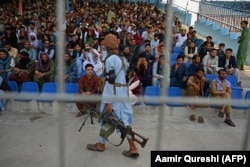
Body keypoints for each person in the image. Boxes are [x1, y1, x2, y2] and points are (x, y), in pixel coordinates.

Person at [87, 34, 140, 158]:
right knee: (124, 121)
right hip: (122, 92)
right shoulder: (121, 58)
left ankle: (102, 145)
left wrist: (109, 103)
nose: (103, 45)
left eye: (104, 42)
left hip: (113, 93)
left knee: (107, 118)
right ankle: (133, 147)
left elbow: (110, 81)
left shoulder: (111, 59)